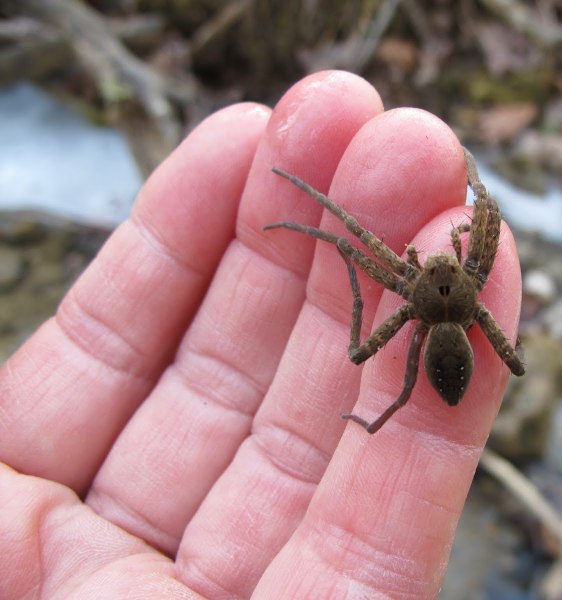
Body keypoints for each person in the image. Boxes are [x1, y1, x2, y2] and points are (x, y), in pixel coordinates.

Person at [0, 70, 523, 598]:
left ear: (423, 277)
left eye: (438, 268)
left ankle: (307, 208)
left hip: (436, 341)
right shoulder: (475, 280)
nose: (434, 267)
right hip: (457, 333)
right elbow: (491, 236)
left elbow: (356, 260)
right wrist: (474, 192)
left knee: (349, 238)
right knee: (362, 241)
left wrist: (349, 267)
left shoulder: (407, 296)